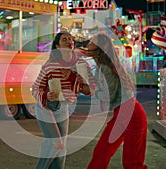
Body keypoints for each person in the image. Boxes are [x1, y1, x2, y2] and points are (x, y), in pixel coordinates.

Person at [31, 31, 96, 169]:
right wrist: (46, 95)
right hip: (46, 108)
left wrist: (72, 77)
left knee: (60, 151)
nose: (69, 41)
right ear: (57, 46)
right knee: (57, 143)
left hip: (64, 108)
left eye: (70, 39)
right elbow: (36, 88)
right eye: (64, 39)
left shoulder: (81, 65)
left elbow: (91, 90)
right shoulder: (50, 65)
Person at [86, 34, 148, 169]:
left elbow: (110, 95)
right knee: (101, 152)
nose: (88, 44)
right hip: (122, 114)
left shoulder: (106, 68)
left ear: (99, 49)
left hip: (131, 114)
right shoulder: (101, 66)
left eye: (91, 43)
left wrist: (94, 91)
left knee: (132, 163)